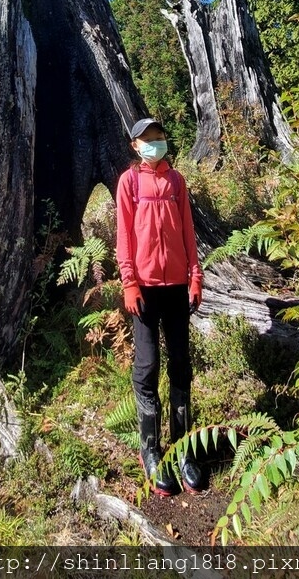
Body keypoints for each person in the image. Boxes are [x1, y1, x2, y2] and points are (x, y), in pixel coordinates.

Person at [116, 117, 204, 495]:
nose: (155, 143)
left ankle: (184, 449)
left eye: (159, 137)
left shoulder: (176, 181)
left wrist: (195, 276)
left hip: (177, 286)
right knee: (148, 364)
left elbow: (188, 229)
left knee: (181, 363)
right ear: (136, 145)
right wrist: (129, 282)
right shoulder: (129, 183)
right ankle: (151, 450)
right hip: (146, 290)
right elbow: (123, 234)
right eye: (148, 139)